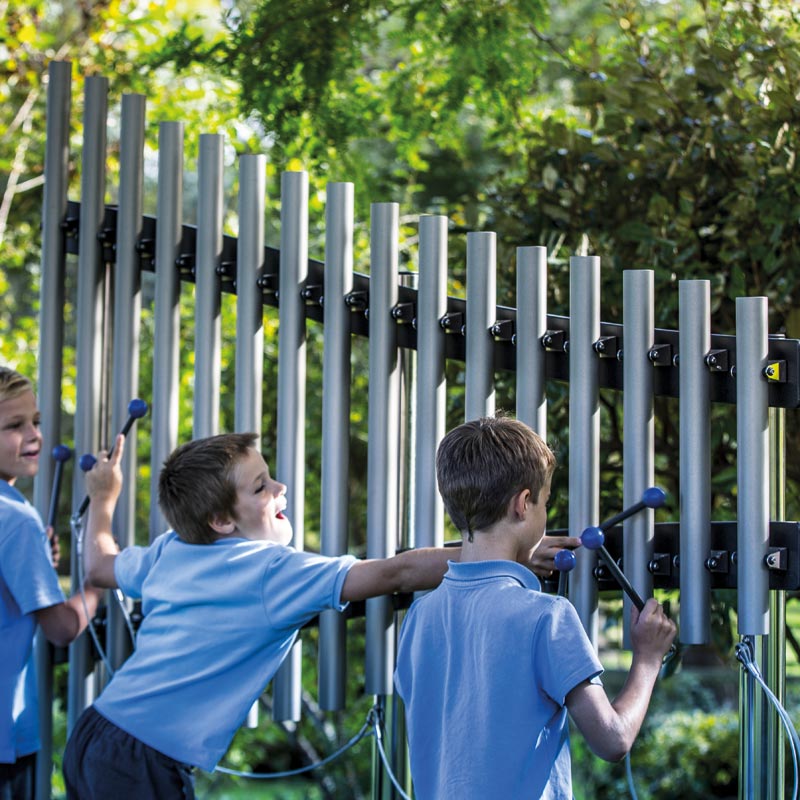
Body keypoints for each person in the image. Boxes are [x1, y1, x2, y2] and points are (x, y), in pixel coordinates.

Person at [62, 430, 574, 798]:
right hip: (142, 763)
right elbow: (394, 574)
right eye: (261, 487)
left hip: (95, 733)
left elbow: (99, 564)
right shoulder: (270, 571)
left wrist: (103, 499)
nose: (280, 489)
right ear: (220, 520)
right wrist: (503, 551)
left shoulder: (170, 549)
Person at [394, 415, 677, 800]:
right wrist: (648, 658)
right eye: (544, 503)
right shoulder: (547, 617)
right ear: (523, 504)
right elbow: (613, 739)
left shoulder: (419, 618)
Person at [0, 367, 103, 800]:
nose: (35, 436)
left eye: (36, 422)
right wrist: (98, 581)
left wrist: (36, 562)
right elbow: (62, 627)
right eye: (14, 425)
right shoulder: (15, 518)